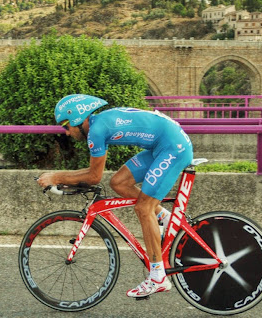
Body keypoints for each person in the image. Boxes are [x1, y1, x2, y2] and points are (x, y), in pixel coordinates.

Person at [37, 94, 193, 298]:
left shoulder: (96, 131)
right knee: (118, 182)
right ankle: (164, 218)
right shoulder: (98, 124)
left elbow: (94, 176)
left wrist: (56, 177)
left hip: (173, 148)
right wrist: (60, 178)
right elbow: (96, 176)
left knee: (143, 208)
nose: (66, 132)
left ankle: (158, 277)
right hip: (162, 145)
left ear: (76, 118)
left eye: (66, 125)